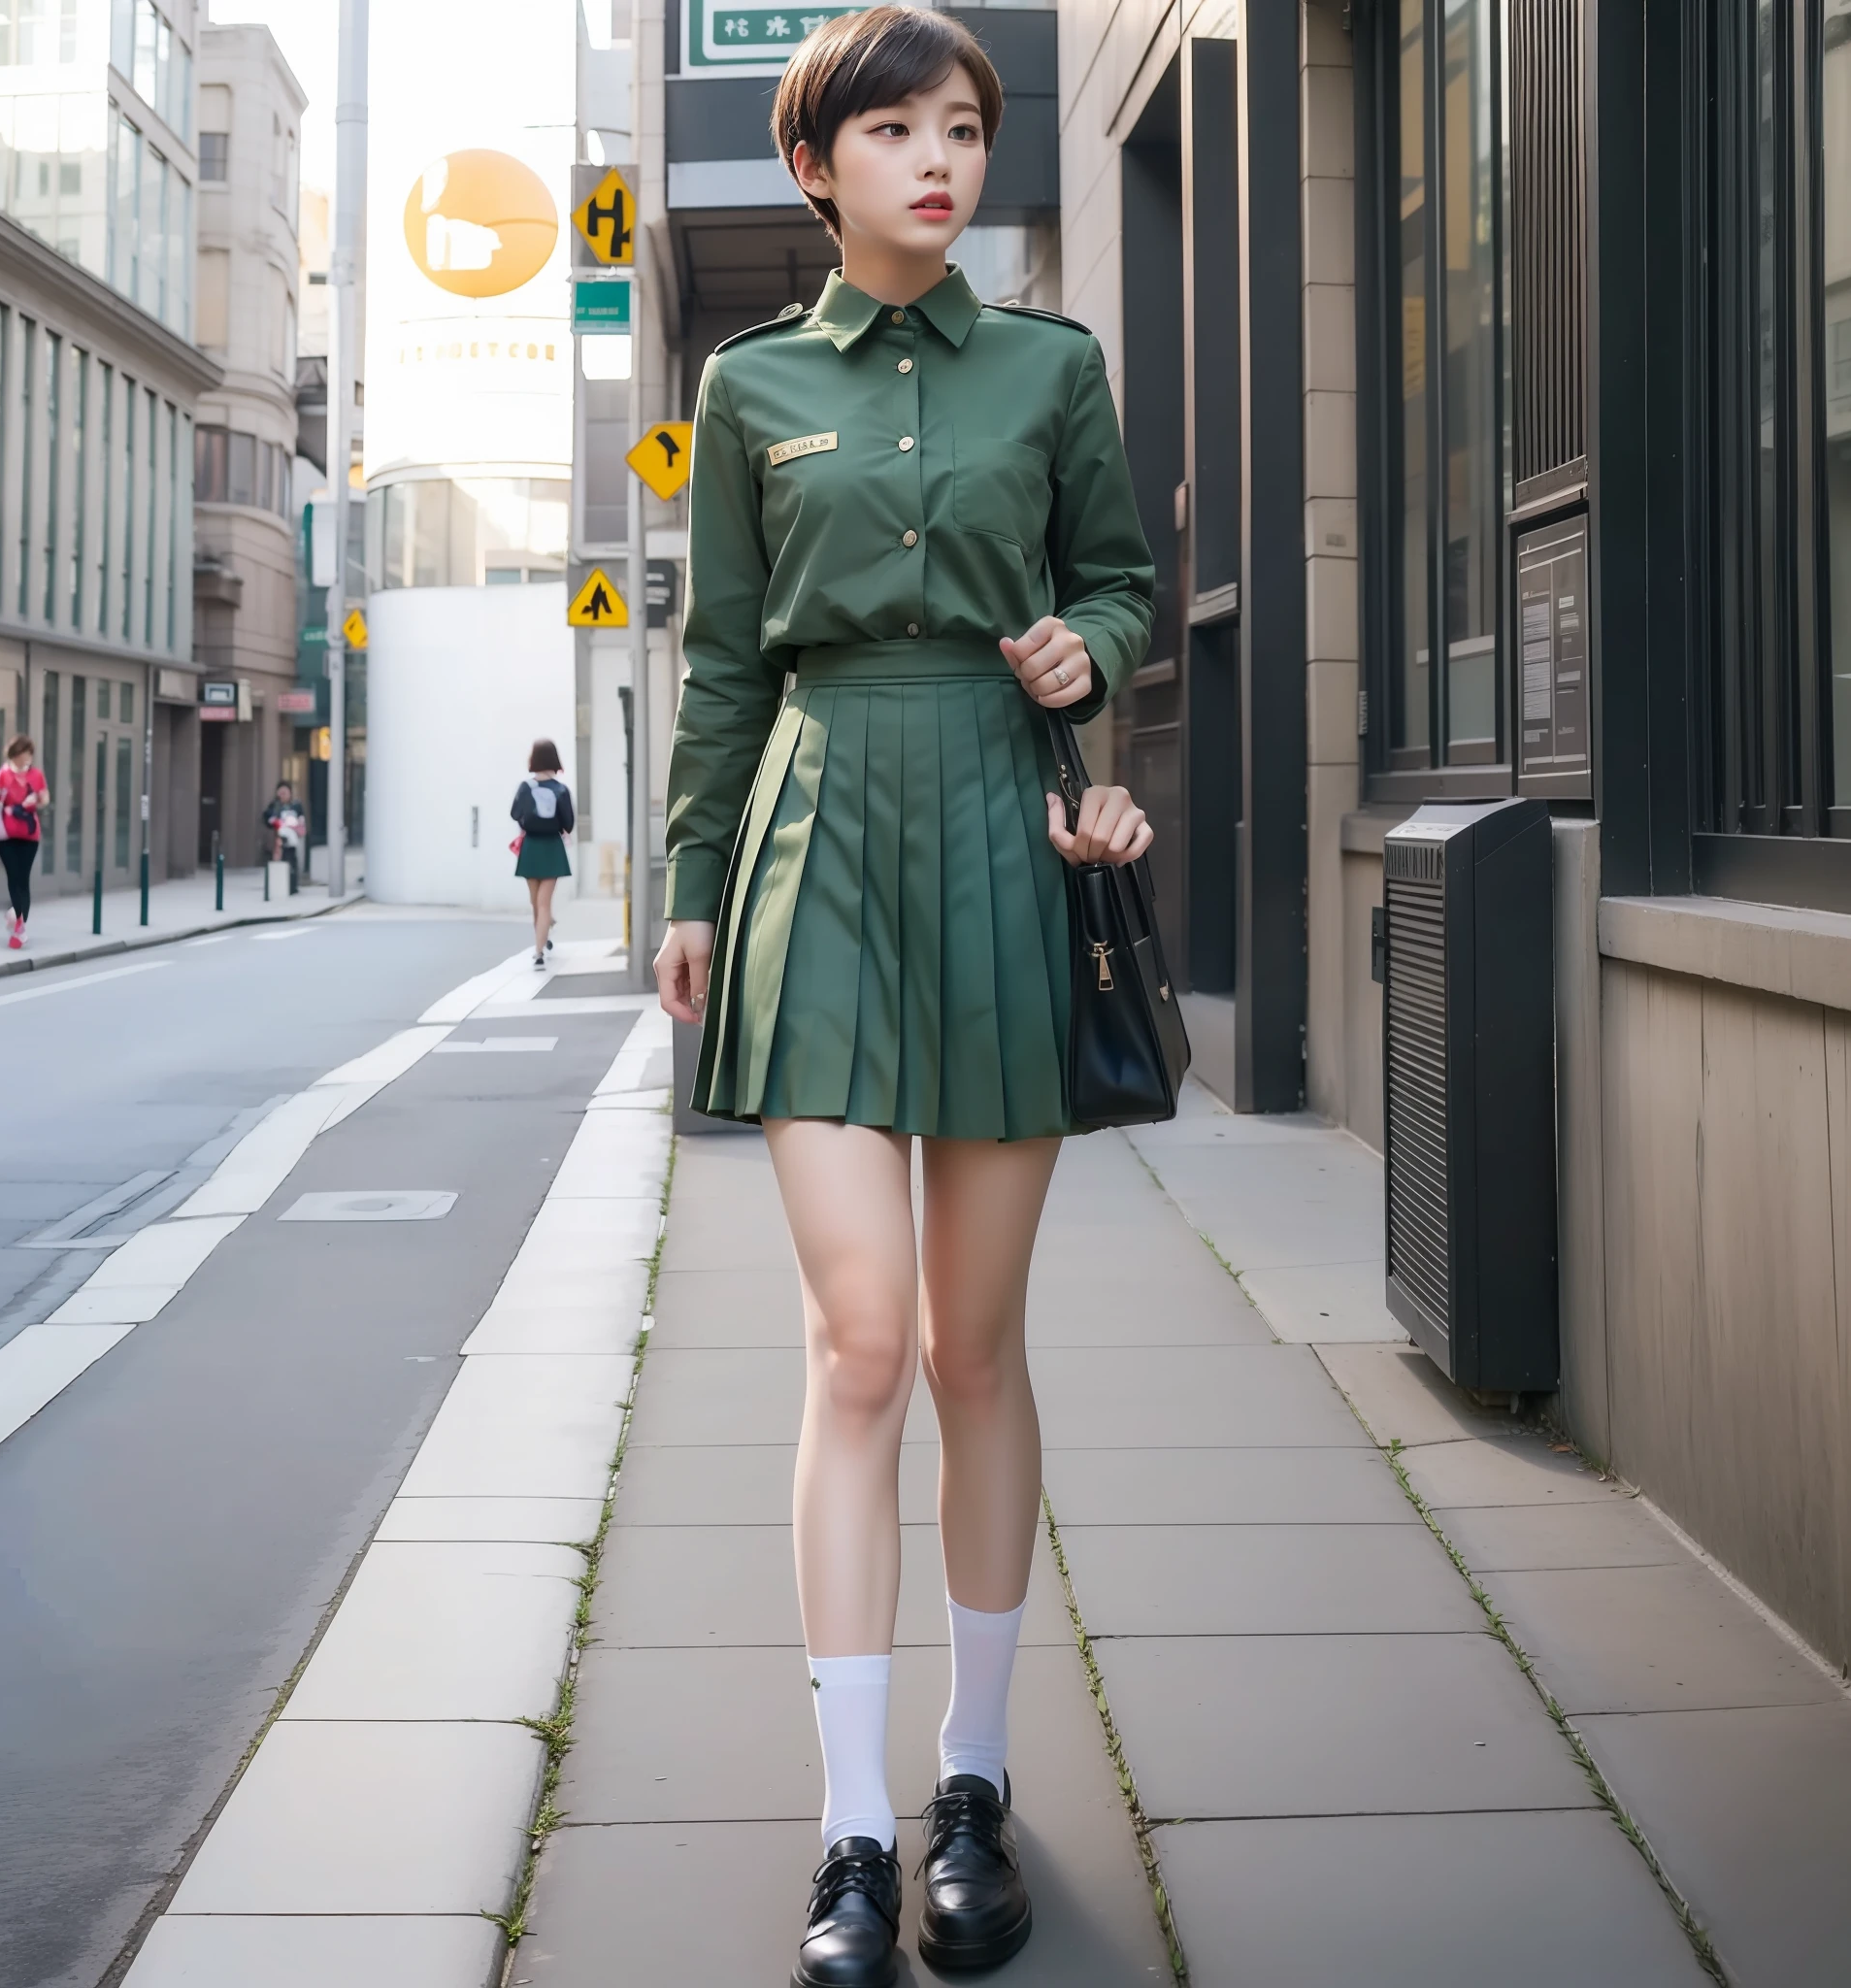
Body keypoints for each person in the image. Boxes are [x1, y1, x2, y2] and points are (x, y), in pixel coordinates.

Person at [652, 13, 1156, 1983]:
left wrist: (1077, 650)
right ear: (819, 164)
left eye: (964, 128)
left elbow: (1117, 578)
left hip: (1003, 840)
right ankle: (851, 1824)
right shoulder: (747, 382)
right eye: (896, 129)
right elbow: (718, 669)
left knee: (968, 1346)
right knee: (857, 1345)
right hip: (814, 853)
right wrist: (690, 889)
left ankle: (970, 1779)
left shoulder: (1053, 364)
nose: (938, 159)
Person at [511, 740, 574, 967]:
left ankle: (539, 946)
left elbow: (515, 813)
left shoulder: (525, 787)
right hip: (552, 847)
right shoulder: (561, 790)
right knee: (544, 902)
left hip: (531, 847)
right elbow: (569, 823)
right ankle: (540, 945)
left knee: (536, 902)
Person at [0, 735, 49, 949]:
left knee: (22, 880)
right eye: (24, 754)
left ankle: (18, 925)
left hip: (29, 835)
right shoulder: (3, 774)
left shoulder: (36, 775)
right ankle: (18, 922)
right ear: (15, 754)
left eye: (30, 754)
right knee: (14, 877)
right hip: (6, 834)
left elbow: (45, 798)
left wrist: (37, 800)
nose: (27, 758)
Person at [262, 781, 307, 896]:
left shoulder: (296, 806)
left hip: (293, 840)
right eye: (280, 793)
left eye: (285, 793)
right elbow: (268, 819)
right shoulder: (275, 806)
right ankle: (278, 885)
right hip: (278, 840)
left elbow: (301, 819)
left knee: (291, 861)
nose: (282, 795)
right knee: (278, 861)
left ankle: (292, 886)